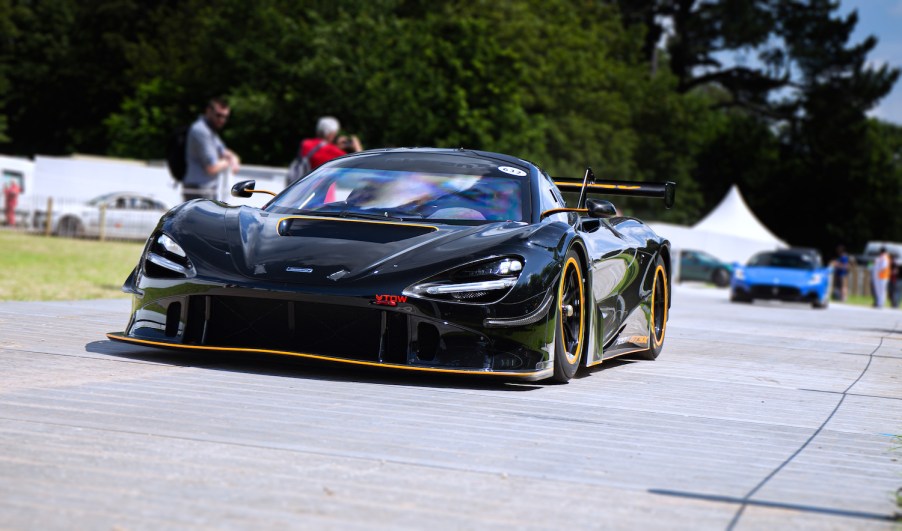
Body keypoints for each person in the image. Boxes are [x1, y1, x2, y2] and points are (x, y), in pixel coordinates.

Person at [183, 97, 240, 201]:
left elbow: (224, 151)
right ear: (209, 111)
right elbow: (212, 168)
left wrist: (234, 158)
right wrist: (228, 162)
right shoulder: (201, 131)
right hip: (198, 191)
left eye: (225, 117)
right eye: (219, 115)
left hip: (206, 189)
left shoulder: (210, 131)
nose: (222, 120)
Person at [297, 116, 362, 172]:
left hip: (305, 184)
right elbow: (357, 163)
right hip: (323, 185)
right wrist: (357, 147)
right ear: (331, 133)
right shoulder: (332, 151)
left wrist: (336, 147)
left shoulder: (305, 144)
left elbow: (318, 153)